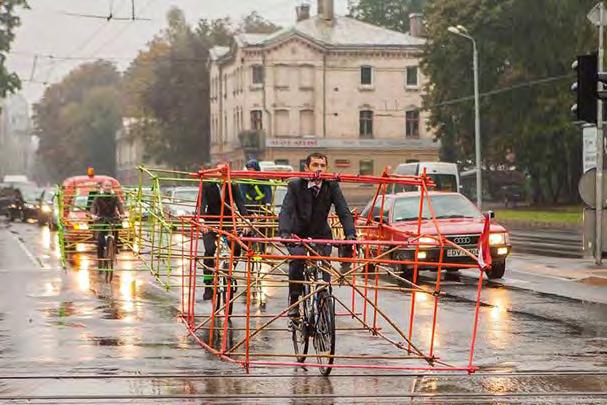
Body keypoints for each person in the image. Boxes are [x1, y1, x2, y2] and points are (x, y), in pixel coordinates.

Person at [278, 152, 356, 319]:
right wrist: (285, 233)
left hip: (321, 234)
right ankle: (295, 300)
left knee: (324, 266)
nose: (319, 169)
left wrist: (350, 234)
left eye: (322, 166)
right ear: (306, 168)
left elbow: (343, 210)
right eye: (315, 165)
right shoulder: (295, 186)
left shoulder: (331, 186)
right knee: (297, 261)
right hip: (298, 235)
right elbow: (286, 210)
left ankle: (323, 299)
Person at [200, 165, 249, 300]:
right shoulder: (208, 185)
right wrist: (201, 221)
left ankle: (229, 270)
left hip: (228, 222)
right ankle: (208, 284)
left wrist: (246, 221)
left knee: (237, 248)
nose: (223, 175)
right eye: (220, 172)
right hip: (211, 222)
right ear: (216, 173)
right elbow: (202, 204)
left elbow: (240, 204)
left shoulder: (232, 185)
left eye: (225, 172)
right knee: (210, 250)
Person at [90, 181, 125, 262]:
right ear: (102, 187)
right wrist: (93, 215)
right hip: (101, 218)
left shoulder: (114, 196)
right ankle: (100, 258)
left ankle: (114, 247)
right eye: (106, 186)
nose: (108, 187)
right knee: (100, 240)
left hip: (113, 217)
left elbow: (119, 205)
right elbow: (93, 206)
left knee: (115, 231)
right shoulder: (98, 196)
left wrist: (122, 214)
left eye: (109, 186)